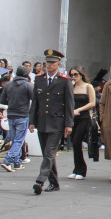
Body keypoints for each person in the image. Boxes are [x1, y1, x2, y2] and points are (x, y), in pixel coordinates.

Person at [29, 49, 74, 194]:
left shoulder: (64, 80)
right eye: (48, 62)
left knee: (49, 153)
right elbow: (35, 102)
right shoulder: (39, 78)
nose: (49, 65)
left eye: (53, 62)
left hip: (57, 123)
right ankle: (54, 183)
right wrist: (32, 121)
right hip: (42, 121)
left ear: (58, 64)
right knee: (47, 155)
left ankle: (40, 181)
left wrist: (69, 124)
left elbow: (69, 104)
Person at [0, 65, 34, 171]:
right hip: (23, 114)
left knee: (15, 139)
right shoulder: (28, 85)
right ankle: (8, 160)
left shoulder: (8, 85)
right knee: (19, 140)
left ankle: (17, 162)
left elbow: (2, 101)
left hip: (10, 114)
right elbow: (34, 98)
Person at [68, 65, 95, 180]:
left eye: (76, 74)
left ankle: (82, 170)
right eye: (72, 75)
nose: (74, 77)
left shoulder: (88, 87)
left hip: (84, 117)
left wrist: (79, 109)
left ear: (81, 75)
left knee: (76, 141)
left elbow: (92, 103)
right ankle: (76, 169)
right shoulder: (70, 87)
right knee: (75, 144)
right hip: (72, 118)